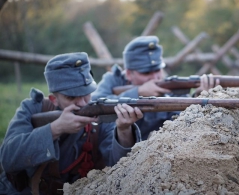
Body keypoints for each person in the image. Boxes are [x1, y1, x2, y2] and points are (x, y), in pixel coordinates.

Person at [0, 52, 143, 195]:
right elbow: (7, 158)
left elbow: (120, 165)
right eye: (72, 97)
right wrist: (55, 129)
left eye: (86, 94)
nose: (82, 103)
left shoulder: (98, 112)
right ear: (54, 99)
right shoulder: (33, 108)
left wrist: (124, 130)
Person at [92, 36, 219, 140]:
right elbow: (94, 104)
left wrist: (198, 98)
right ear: (129, 73)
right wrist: (137, 92)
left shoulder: (169, 85)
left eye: (158, 70)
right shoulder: (113, 80)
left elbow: (182, 121)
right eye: (146, 73)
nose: (155, 77)